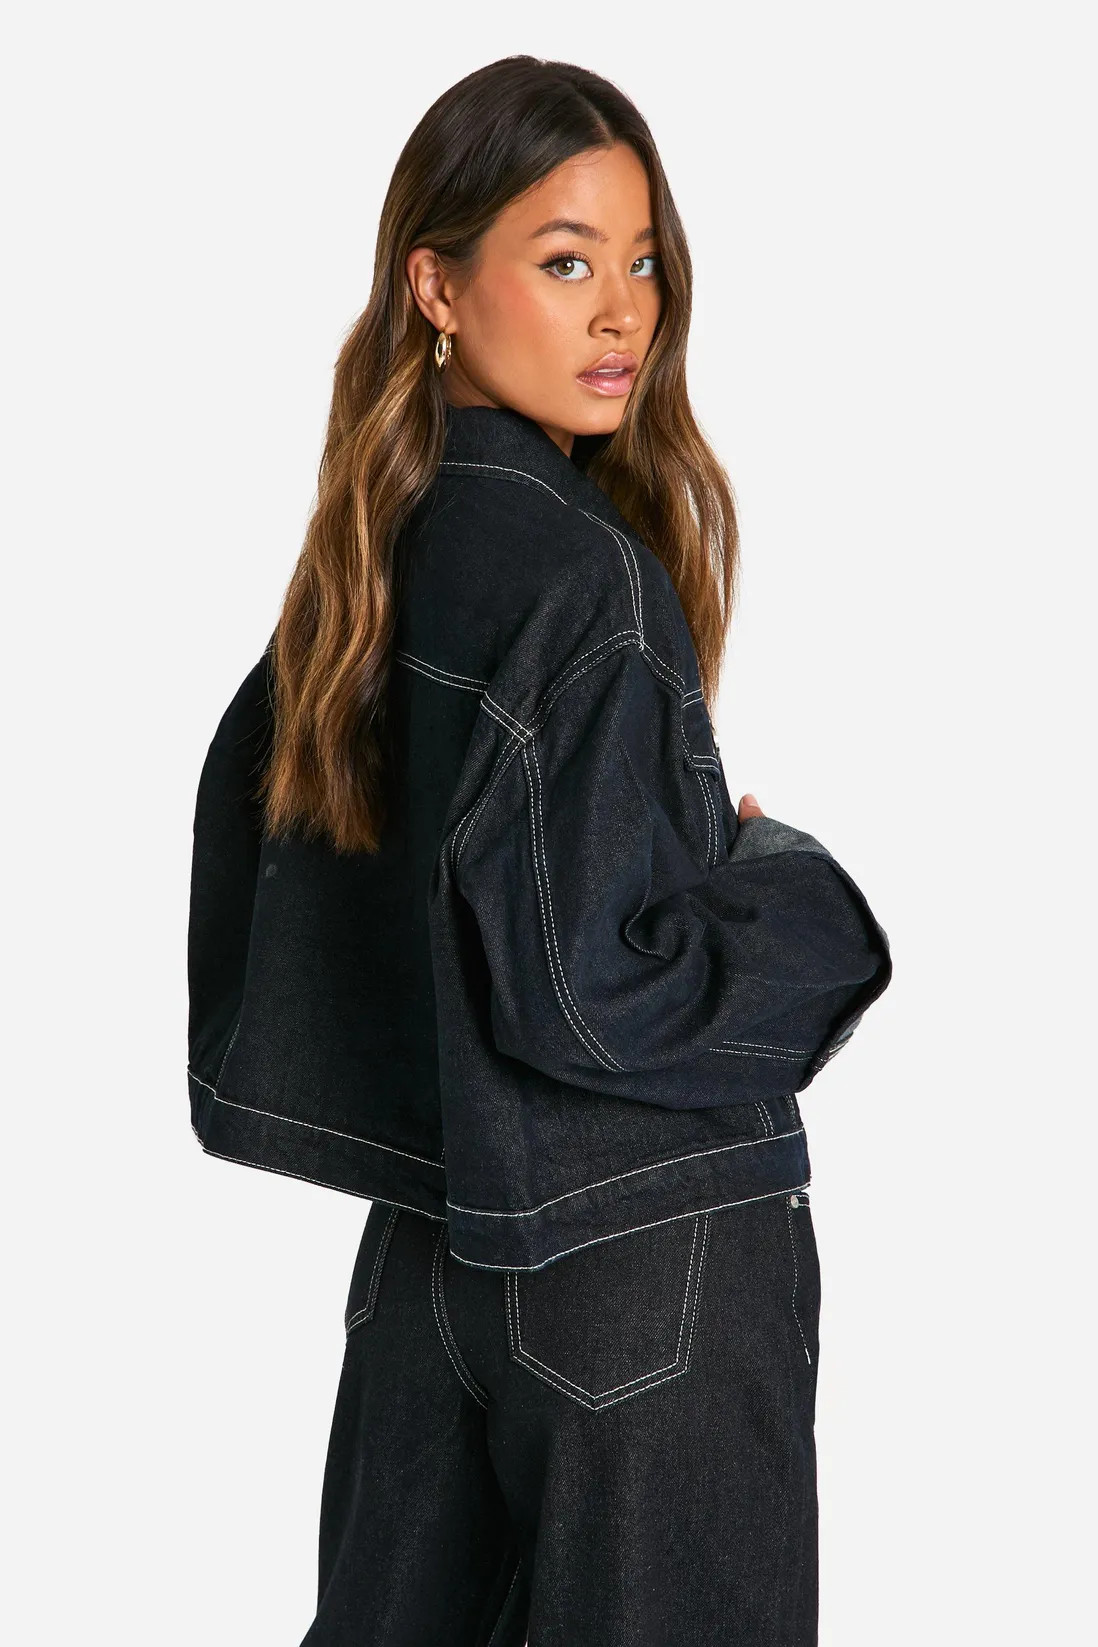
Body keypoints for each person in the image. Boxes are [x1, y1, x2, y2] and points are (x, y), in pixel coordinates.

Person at [186, 55, 892, 1647]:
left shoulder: (367, 564)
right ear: (435, 286)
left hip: (434, 1249)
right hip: (648, 1259)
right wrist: (795, 903)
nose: (622, 312)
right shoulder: (587, 581)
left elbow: (274, 900)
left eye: (641, 262)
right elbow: (592, 994)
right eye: (564, 262)